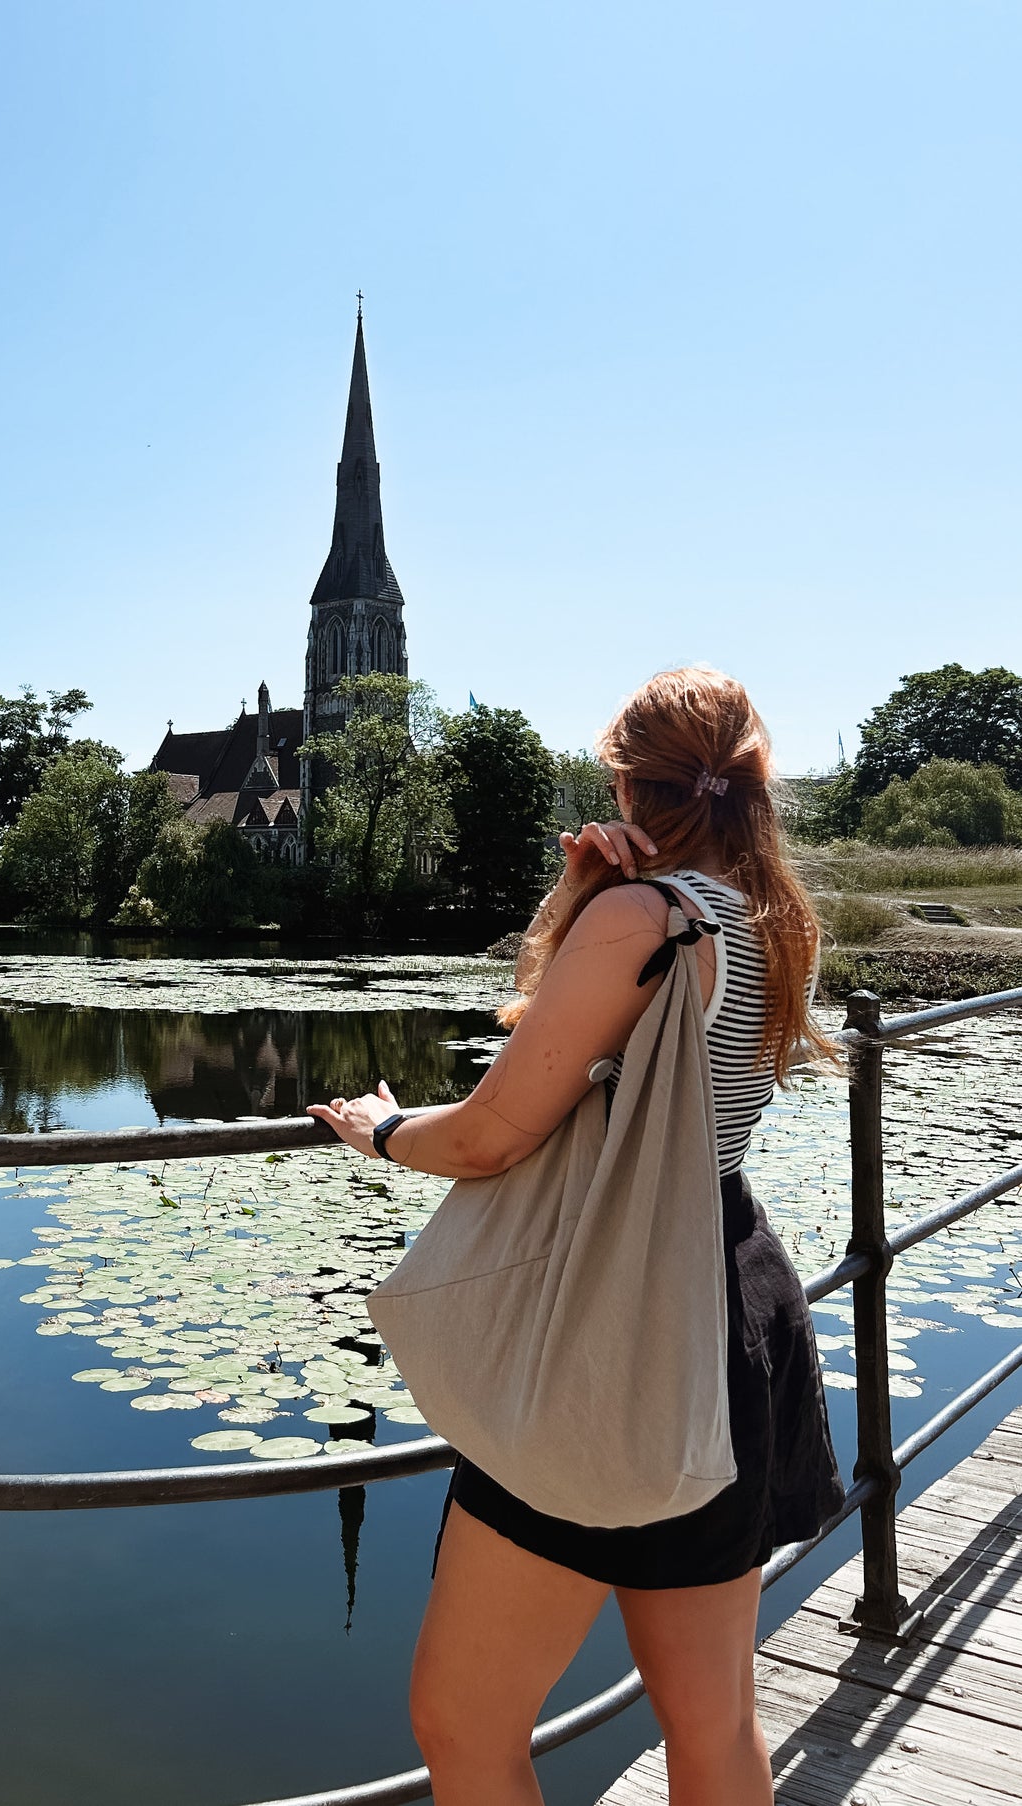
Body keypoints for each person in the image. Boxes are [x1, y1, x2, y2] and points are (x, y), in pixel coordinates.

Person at [308, 666, 844, 1806]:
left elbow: (497, 1131)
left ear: (623, 780)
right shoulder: (764, 917)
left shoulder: (640, 917)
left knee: (463, 1723)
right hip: (731, 1303)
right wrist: (590, 894)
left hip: (606, 1338)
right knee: (711, 1722)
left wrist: (383, 1128)